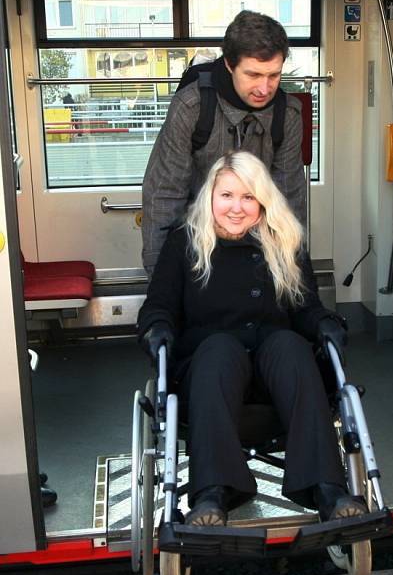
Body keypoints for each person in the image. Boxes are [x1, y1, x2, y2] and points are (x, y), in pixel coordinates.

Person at [137, 150, 361, 526]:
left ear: (263, 201)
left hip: (274, 371)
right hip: (209, 370)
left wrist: (324, 322)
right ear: (210, 196)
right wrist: (156, 328)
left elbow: (304, 307)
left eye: (248, 197)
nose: (236, 208)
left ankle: (327, 489)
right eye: (226, 195)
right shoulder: (185, 241)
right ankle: (212, 494)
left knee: (291, 345)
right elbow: (159, 304)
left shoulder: (284, 240)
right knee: (219, 349)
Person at [141, 10, 306, 275]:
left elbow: (290, 198)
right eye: (253, 75)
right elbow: (164, 194)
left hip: (257, 248)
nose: (265, 89)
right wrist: (160, 278)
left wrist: (294, 267)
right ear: (229, 64)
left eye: (274, 75)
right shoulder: (191, 106)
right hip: (195, 243)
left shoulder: (288, 114)